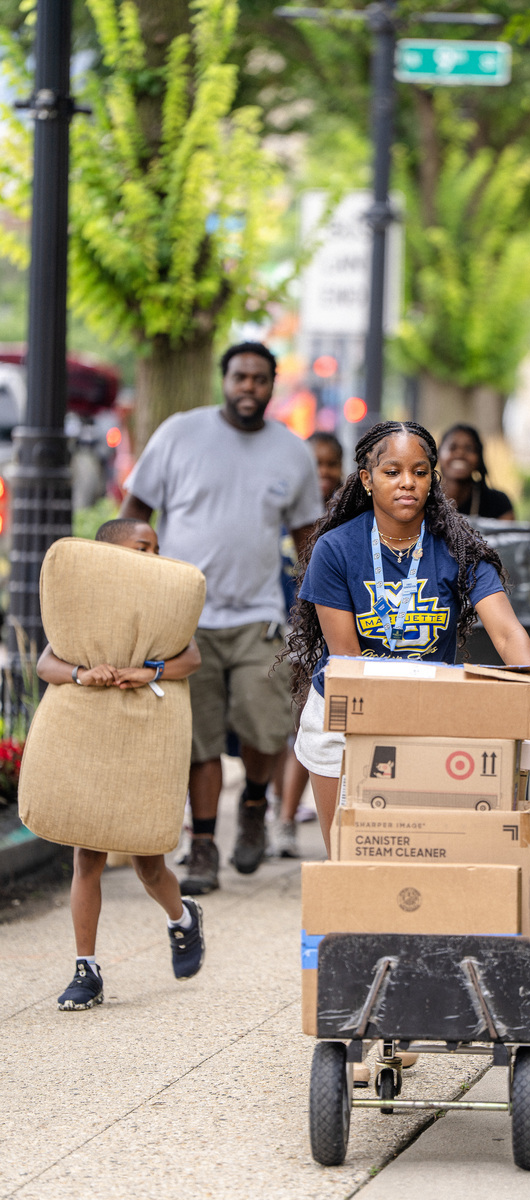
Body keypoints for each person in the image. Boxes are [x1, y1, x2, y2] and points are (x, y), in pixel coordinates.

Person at [287, 420, 530, 857]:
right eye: (392, 472)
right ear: (367, 479)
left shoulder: (459, 547)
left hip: (430, 718)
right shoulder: (336, 549)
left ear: (433, 479)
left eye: (419, 471)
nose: (406, 483)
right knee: (349, 860)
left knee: (421, 861)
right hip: (345, 720)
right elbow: (347, 659)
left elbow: (508, 631)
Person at [120, 343, 323, 894]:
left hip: (260, 616)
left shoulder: (292, 452)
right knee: (199, 740)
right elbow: (134, 508)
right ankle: (204, 845)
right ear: (224, 379)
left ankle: (255, 804)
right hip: (187, 618)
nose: (249, 387)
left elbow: (306, 537)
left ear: (272, 385)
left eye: (260, 379)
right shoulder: (180, 434)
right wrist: (135, 574)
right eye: (240, 377)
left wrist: (318, 608)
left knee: (265, 728)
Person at [37, 519, 204, 1011]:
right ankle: (85, 969)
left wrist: (146, 670)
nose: (152, 556)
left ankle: (181, 918)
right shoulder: (86, 608)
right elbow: (47, 663)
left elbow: (190, 658)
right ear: (107, 555)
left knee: (148, 861)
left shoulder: (162, 607)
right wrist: (82, 674)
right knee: (87, 855)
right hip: (93, 730)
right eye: (141, 547)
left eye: (155, 548)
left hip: (145, 733)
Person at [272, 432, 345, 858]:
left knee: (306, 719)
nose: (323, 473)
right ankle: (282, 816)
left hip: (327, 635)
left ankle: (286, 818)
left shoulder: (346, 518)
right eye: (314, 464)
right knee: (288, 728)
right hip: (286, 628)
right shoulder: (285, 515)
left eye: (330, 464)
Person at [438, 424, 515, 520]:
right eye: (453, 448)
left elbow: (508, 533)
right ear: (438, 455)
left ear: (479, 458)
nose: (460, 454)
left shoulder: (498, 503)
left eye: (469, 449)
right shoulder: (425, 499)